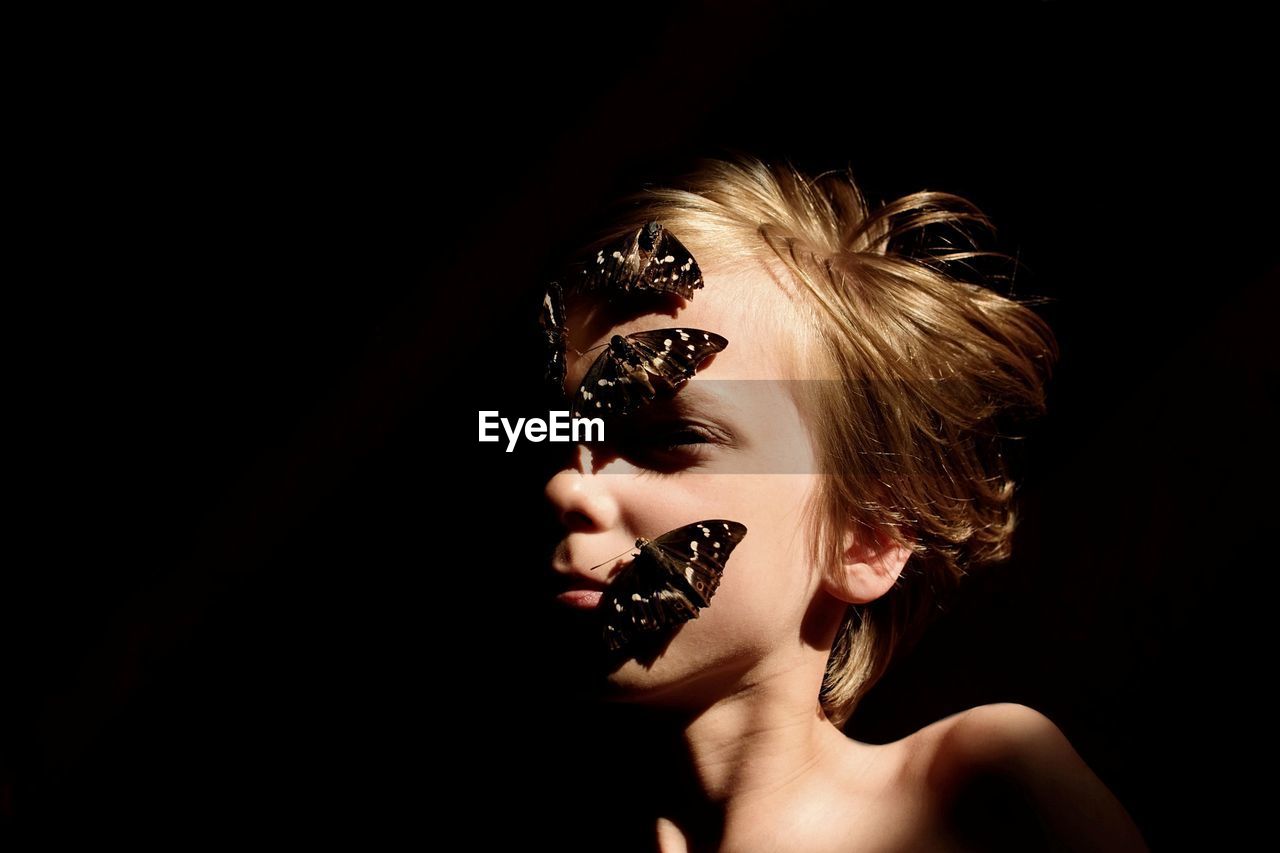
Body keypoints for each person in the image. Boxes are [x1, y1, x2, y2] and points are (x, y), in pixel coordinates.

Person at [538, 154, 1148, 852]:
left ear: (868, 535)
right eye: (558, 439)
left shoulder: (977, 790)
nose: (567, 484)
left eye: (674, 435)